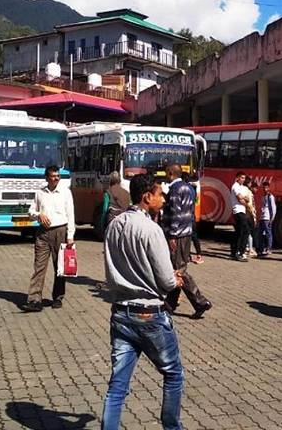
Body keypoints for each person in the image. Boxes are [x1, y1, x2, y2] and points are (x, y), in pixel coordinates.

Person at [102, 173, 185, 430]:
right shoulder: (152, 230)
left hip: (121, 312)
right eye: (160, 194)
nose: (163, 198)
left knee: (117, 385)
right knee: (173, 374)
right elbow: (166, 280)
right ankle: (172, 427)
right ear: (147, 196)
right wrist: (176, 281)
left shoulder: (114, 224)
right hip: (149, 314)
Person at [21, 165, 76, 312]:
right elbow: (31, 211)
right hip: (43, 233)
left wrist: (70, 236)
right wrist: (39, 215)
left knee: (60, 267)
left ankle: (58, 297)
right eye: (53, 176)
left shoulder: (65, 192)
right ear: (47, 178)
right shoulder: (40, 193)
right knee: (39, 266)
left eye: (58, 176)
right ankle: (34, 299)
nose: (56, 178)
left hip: (60, 231)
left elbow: (71, 215)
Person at [161, 164, 211, 318]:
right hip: (186, 232)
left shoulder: (175, 189)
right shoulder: (189, 188)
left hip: (177, 234)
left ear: (170, 173)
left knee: (179, 270)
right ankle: (169, 304)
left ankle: (200, 301)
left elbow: (175, 213)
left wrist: (173, 236)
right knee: (175, 268)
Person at [229, 172, 253, 261]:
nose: (243, 179)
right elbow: (240, 199)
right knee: (246, 230)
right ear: (237, 178)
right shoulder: (235, 186)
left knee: (239, 232)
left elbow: (246, 198)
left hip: (241, 211)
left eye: (244, 178)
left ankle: (234, 251)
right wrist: (247, 205)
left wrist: (244, 199)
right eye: (242, 178)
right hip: (238, 211)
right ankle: (241, 252)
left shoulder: (242, 187)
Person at [255, 181, 276, 257]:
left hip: (267, 217)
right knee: (260, 234)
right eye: (264, 187)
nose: (265, 189)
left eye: (266, 187)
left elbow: (273, 208)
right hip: (262, 217)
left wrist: (272, 218)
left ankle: (269, 248)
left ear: (269, 188)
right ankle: (261, 249)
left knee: (268, 233)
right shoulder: (263, 197)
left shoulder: (270, 197)